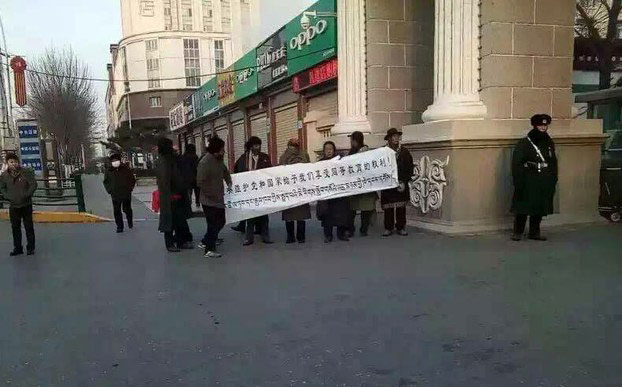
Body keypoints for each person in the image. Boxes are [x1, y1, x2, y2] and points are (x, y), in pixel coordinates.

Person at [511, 114, 558, 241]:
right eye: (540, 125)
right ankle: (518, 232)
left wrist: (553, 178)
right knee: (523, 207)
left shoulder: (548, 142)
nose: (543, 127)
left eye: (545, 125)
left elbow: (553, 161)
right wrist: (518, 180)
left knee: (539, 206)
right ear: (534, 125)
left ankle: (534, 232)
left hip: (543, 178)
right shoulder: (525, 143)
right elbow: (517, 163)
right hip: (528, 179)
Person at [155, 137, 194, 252]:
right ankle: (170, 244)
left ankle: (181, 241)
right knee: (169, 221)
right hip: (169, 196)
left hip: (178, 194)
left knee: (179, 220)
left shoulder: (172, 159)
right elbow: (165, 180)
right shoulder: (163, 161)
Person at [233, 136, 273, 246]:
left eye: (259, 145)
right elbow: (237, 172)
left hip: (261, 190)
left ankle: (265, 236)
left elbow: (270, 171)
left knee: (264, 214)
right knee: (250, 215)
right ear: (251, 146)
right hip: (249, 191)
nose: (258, 147)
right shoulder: (243, 159)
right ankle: (248, 238)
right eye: (255, 145)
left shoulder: (265, 157)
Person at [197, 136, 232, 258]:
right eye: (222, 149)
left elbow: (225, 172)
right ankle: (208, 249)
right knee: (212, 224)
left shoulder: (219, 160)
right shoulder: (205, 162)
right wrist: (211, 195)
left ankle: (206, 241)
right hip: (208, 200)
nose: (224, 152)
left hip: (218, 198)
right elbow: (200, 182)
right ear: (215, 150)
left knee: (221, 221)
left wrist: (229, 182)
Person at [0, 153, 37, 256]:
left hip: (26, 204)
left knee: (28, 227)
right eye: (11, 162)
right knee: (15, 228)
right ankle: (18, 248)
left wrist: (27, 194)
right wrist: (7, 196)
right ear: (7, 163)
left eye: (15, 162)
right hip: (14, 206)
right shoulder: (4, 176)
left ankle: (30, 248)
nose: (14, 164)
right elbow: (2, 188)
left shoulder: (26, 172)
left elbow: (33, 184)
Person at [381, 128, 414, 237]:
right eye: (393, 136)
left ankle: (401, 227)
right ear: (389, 139)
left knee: (401, 207)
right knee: (388, 207)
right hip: (388, 183)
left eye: (397, 136)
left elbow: (410, 166)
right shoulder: (383, 151)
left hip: (401, 182)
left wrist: (405, 180)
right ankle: (388, 227)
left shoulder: (404, 151)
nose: (396, 138)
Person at [316, 141, 350, 243]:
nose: (329, 151)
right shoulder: (320, 163)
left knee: (341, 214)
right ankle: (328, 235)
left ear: (334, 150)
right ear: (324, 151)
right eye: (327, 149)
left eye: (331, 149)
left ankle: (341, 234)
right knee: (327, 216)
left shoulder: (340, 162)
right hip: (326, 194)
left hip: (339, 193)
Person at [279, 138, 311, 243]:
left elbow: (308, 168)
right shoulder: (284, 157)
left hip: (301, 188)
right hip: (289, 189)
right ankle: (290, 236)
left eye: (296, 146)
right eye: (292, 146)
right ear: (288, 146)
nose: (294, 148)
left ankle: (301, 236)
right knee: (289, 215)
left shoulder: (304, 155)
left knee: (301, 215)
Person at [347, 131, 377, 237]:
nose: (351, 142)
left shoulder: (366, 152)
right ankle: (351, 229)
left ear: (356, 141)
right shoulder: (351, 152)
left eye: (352, 140)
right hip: (354, 187)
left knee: (365, 210)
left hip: (365, 187)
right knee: (351, 210)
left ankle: (363, 229)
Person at [103, 153, 136, 233]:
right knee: (117, 210)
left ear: (119, 161)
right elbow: (106, 182)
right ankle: (119, 226)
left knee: (127, 209)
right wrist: (110, 190)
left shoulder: (126, 169)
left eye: (116, 160)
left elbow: (132, 179)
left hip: (126, 193)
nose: (115, 162)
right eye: (113, 161)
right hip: (115, 194)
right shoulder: (109, 171)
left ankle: (130, 221)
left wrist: (129, 188)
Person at [181, 143, 200, 208]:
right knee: (197, 191)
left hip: (187, 178)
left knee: (189, 191)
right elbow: (197, 167)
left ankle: (189, 203)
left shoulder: (183, 157)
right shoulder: (196, 157)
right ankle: (197, 202)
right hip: (195, 177)